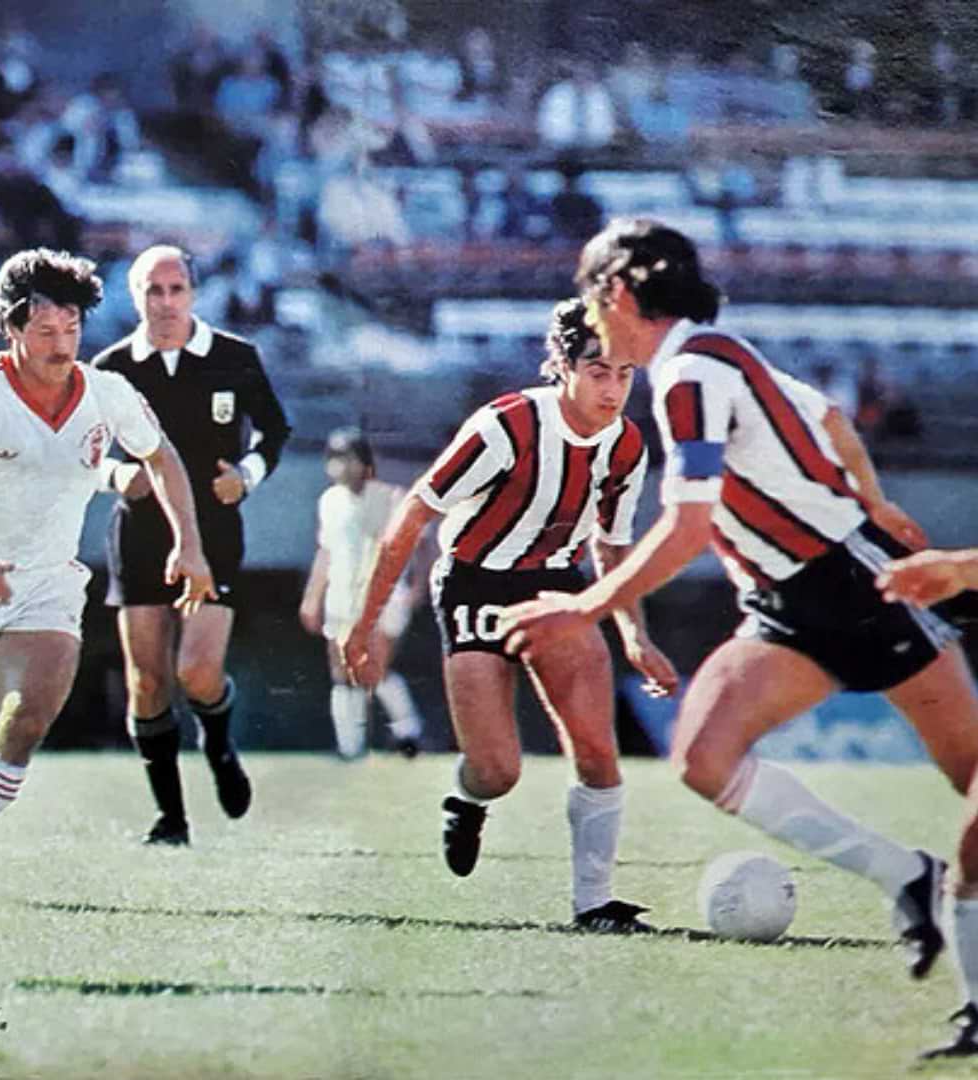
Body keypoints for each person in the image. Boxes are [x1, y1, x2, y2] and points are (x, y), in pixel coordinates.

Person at [500, 217, 978, 1060]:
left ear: (615, 292)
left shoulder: (691, 371)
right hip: (787, 603)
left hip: (858, 584)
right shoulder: (712, 357)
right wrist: (869, 494)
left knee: (975, 783)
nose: (586, 308)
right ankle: (908, 879)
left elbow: (685, 527)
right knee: (704, 757)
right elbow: (826, 417)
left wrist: (585, 608)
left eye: (588, 292)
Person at [342, 297, 678, 932]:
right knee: (497, 770)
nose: (612, 390)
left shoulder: (627, 446)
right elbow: (414, 515)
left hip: (556, 584)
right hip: (475, 584)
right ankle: (467, 799)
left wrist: (634, 635)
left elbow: (610, 545)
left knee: (597, 748)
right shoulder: (508, 426)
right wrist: (364, 623)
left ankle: (594, 905)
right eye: (598, 371)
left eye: (625, 373)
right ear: (563, 366)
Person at [0, 247, 215, 910]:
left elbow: (162, 457)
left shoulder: (107, 394)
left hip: (45, 585)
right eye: (45, 332)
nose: (61, 345)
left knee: (29, 716)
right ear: (11, 329)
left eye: (72, 329)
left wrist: (189, 544)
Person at [93, 244, 291, 846]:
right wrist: (111, 475)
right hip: (140, 532)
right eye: (153, 290)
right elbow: (83, 448)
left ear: (194, 295)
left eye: (176, 289)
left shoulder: (233, 357)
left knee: (198, 672)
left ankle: (219, 741)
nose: (166, 302)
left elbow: (275, 430)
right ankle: (170, 818)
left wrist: (247, 477)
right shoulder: (111, 367)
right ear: (135, 297)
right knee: (148, 682)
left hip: (213, 533)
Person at [299, 427, 425, 760]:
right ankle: (349, 745)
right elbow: (325, 551)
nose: (342, 466)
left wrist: (417, 587)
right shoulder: (329, 501)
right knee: (341, 670)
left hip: (381, 598)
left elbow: (420, 543)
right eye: (336, 459)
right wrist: (313, 597)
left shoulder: (390, 497)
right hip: (341, 595)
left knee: (373, 667)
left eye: (349, 458)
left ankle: (407, 730)